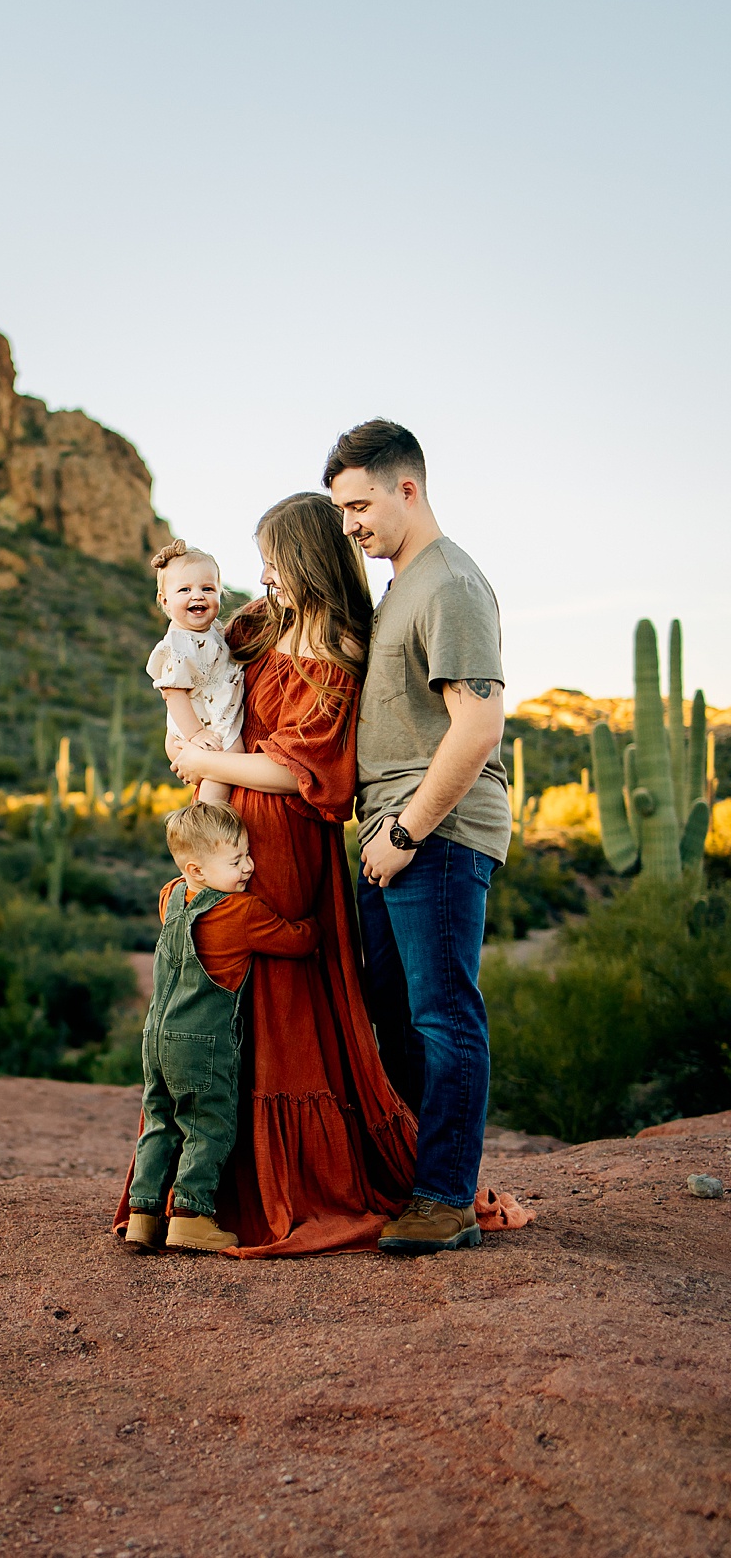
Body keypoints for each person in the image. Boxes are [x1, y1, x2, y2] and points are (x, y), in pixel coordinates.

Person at [118, 493, 418, 1258]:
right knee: (218, 992)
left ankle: (254, 1191)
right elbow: (196, 664)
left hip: (282, 838)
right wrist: (186, 736)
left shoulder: (340, 647)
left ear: (307, 561)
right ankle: (191, 1195)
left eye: (273, 562)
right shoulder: (258, 624)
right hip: (227, 821)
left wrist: (201, 759)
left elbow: (304, 771)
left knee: (277, 996)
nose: (261, 577)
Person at [325, 419, 511, 1256]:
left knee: (442, 1016)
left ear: (408, 488)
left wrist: (405, 829)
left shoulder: (449, 584)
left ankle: (446, 1198)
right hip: (392, 834)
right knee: (396, 1016)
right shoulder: (401, 586)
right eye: (341, 510)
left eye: (360, 505)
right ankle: (419, 1178)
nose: (350, 524)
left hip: (433, 832)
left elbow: (478, 726)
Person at [125, 802, 318, 1255]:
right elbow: (297, 942)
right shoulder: (243, 912)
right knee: (207, 1126)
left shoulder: (171, 896)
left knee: (160, 1122)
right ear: (197, 868)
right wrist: (316, 922)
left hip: (155, 1039)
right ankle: (191, 1216)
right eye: (236, 861)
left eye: (248, 854)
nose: (249, 867)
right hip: (202, 1043)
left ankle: (143, 1215)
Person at [146, 539, 244, 806]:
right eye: (185, 589)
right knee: (224, 765)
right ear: (165, 601)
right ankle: (208, 816)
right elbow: (173, 693)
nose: (198, 595)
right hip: (201, 727)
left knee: (226, 765)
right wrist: (196, 735)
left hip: (211, 716)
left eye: (207, 588)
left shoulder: (210, 631)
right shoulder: (179, 644)